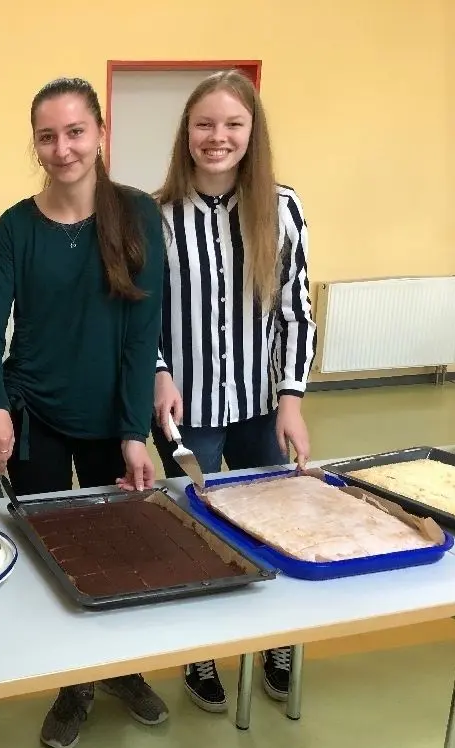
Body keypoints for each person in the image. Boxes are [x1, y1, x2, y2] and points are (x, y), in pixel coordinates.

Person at [0, 77, 168, 748]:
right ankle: (72, 683)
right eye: (48, 136)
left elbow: (143, 338)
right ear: (36, 144)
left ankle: (122, 669)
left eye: (75, 131)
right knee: (55, 557)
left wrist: (134, 432)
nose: (63, 148)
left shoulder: (138, 216)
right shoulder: (17, 226)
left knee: (122, 552)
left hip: (113, 420)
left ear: (100, 134)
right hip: (37, 417)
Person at [151, 70, 315, 713]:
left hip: (261, 408)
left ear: (252, 132)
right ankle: (201, 653)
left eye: (232, 124)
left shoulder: (283, 208)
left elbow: (296, 313)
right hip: (186, 412)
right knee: (194, 535)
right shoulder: (157, 216)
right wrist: (159, 372)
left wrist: (293, 400)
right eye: (204, 124)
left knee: (271, 528)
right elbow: (144, 318)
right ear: (186, 133)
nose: (217, 137)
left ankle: (274, 642)